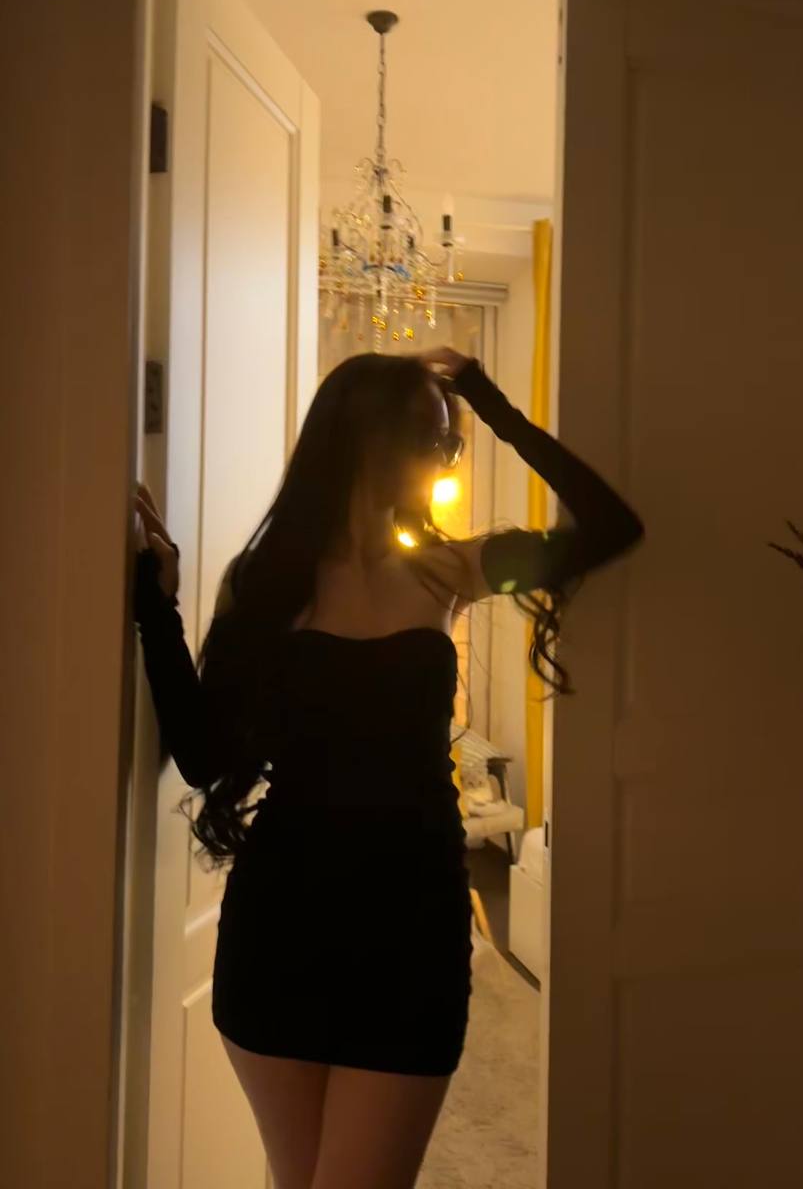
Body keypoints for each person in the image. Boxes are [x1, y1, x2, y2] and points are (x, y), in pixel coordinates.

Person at [132, 345, 643, 1189]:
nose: (443, 454)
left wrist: (486, 401)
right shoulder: (265, 582)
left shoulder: (451, 570)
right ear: (361, 438)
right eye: (428, 434)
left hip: (412, 929)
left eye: (450, 440)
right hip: (280, 928)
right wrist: (158, 609)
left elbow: (610, 525)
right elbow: (203, 754)